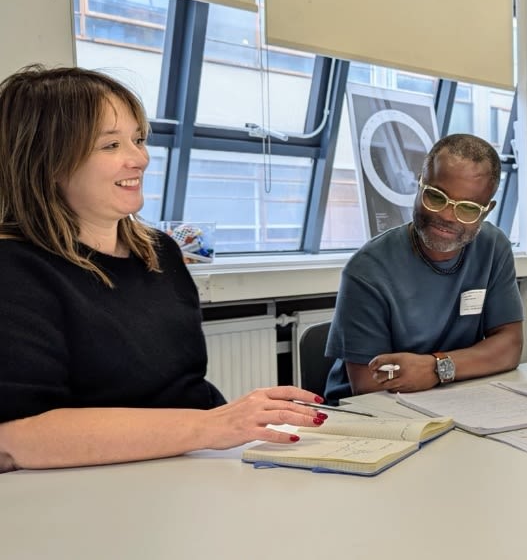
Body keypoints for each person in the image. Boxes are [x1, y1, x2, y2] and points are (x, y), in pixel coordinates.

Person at [0, 65, 328, 473]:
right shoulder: (15, 269)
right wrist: (211, 426)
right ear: (48, 161)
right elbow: (15, 438)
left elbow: (184, 393)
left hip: (191, 469)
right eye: (111, 145)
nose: (139, 158)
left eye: (137, 139)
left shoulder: (162, 252)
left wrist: (234, 427)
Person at [324, 134, 523, 402]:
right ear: (420, 183)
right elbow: (368, 383)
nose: (446, 216)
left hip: (453, 396)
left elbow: (509, 347)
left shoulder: (493, 248)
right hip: (373, 413)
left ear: (486, 211)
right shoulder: (368, 270)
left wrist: (436, 368)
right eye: (436, 197)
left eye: (466, 208)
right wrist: (463, 365)